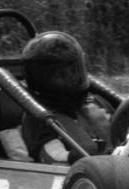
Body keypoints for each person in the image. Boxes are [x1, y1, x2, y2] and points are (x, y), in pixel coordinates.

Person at [20, 31, 111, 163]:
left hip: (120, 167)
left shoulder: (94, 102)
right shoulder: (38, 118)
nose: (72, 78)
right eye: (62, 75)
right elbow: (53, 155)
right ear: (43, 81)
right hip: (79, 173)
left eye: (75, 71)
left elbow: (125, 131)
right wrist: (76, 157)